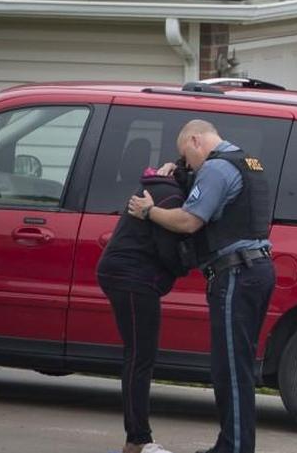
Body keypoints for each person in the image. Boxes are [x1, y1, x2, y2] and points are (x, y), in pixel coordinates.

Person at [127, 120, 275, 453]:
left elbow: (189, 220)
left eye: (186, 156)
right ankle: (230, 444)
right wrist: (180, 174)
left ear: (196, 140)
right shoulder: (247, 162)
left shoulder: (216, 169)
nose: (188, 163)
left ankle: (234, 449)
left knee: (230, 371)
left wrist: (148, 211)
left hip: (236, 273)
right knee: (237, 367)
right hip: (257, 268)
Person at [98, 162, 193, 453]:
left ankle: (136, 438)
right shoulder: (172, 198)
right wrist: (188, 263)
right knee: (140, 357)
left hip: (122, 274)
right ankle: (138, 439)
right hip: (133, 278)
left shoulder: (159, 189)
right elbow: (168, 252)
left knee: (137, 355)